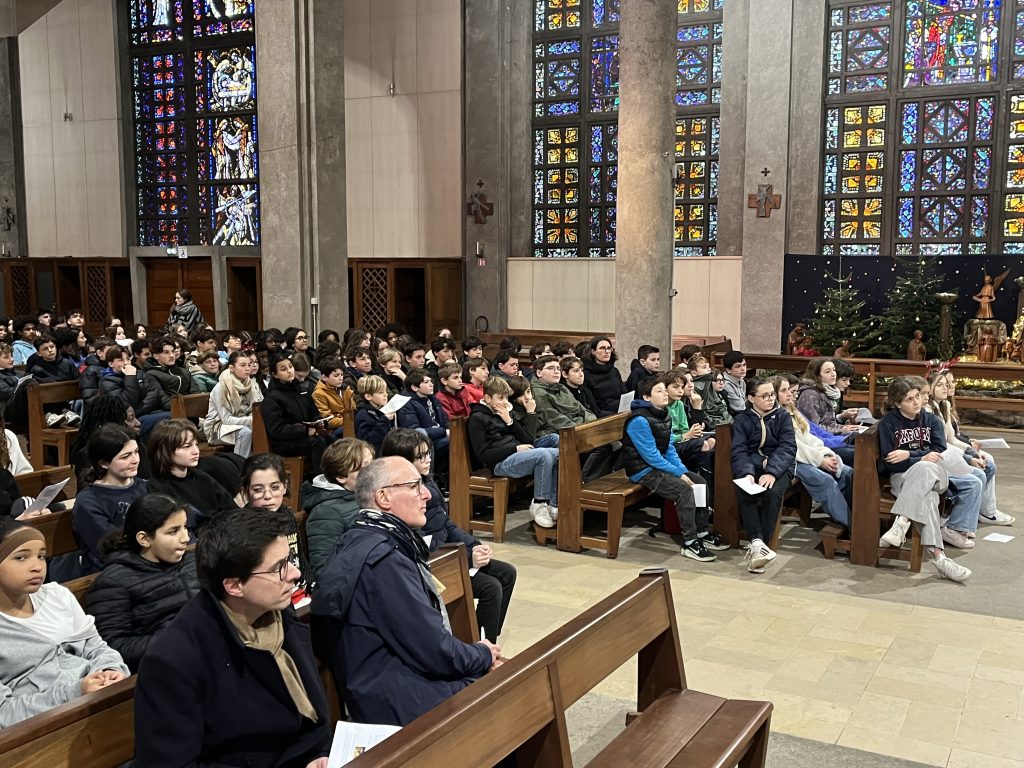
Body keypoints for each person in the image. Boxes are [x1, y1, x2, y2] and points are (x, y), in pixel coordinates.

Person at [134, 507, 332, 768]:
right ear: (234, 585)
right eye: (279, 568)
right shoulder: (173, 659)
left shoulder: (277, 609)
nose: (295, 573)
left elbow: (311, 718)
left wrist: (318, 754)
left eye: (289, 560)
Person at [311, 456, 499, 726]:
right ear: (383, 497)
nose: (426, 495)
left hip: (394, 682)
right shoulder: (383, 560)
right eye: (414, 486)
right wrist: (482, 653)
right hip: (398, 698)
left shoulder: (367, 537)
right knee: (511, 684)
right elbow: (434, 650)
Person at [381, 430, 517, 642]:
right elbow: (422, 543)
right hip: (433, 564)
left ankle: (487, 639)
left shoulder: (427, 482)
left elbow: (446, 523)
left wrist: (474, 545)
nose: (428, 460)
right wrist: (467, 558)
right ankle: (479, 645)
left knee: (507, 573)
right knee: (491, 588)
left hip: (448, 553)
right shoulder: (402, 496)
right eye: (420, 457)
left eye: (428, 454)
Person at [0, 519, 129, 727]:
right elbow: (4, 713)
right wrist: (76, 692)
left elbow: (96, 647)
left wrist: (110, 669)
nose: (37, 567)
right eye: (21, 557)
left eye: (41, 556)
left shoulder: (56, 595)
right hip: (47, 730)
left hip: (100, 700)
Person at [85, 494, 200, 672]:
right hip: (165, 669)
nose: (185, 537)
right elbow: (112, 647)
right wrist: (177, 640)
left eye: (185, 527)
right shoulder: (113, 583)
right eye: (173, 531)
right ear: (144, 539)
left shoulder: (193, 561)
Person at [877, 376, 971, 582]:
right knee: (928, 498)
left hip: (937, 475)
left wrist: (909, 455)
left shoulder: (931, 421)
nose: (917, 402)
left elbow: (939, 452)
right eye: (909, 399)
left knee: (927, 467)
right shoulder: (888, 423)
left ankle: (902, 521)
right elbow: (890, 463)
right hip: (903, 478)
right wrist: (921, 458)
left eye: (918, 396)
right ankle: (940, 558)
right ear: (897, 403)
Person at [467, 377, 560, 528]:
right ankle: (539, 503)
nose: (505, 402)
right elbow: (483, 455)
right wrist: (514, 449)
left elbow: (527, 439)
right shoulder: (477, 418)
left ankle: (554, 503)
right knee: (543, 455)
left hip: (516, 454)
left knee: (559, 453)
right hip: (499, 463)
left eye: (506, 398)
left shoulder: (502, 413)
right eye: (500, 398)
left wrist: (509, 421)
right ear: (488, 398)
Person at [731, 378, 796, 574]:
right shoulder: (742, 419)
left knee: (772, 493)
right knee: (744, 490)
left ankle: (762, 545)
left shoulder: (782, 416)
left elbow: (788, 448)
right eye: (765, 396)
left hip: (780, 467)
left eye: (772, 395)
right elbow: (739, 450)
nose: (770, 399)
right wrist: (747, 473)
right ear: (751, 398)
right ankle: (758, 543)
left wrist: (772, 472)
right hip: (753, 465)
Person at [773, 373, 853, 529]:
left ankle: (848, 516)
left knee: (847, 472)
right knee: (825, 480)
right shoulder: (776, 416)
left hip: (808, 455)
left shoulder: (792, 410)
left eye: (790, 390)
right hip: (791, 461)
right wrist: (819, 460)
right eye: (784, 391)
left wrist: (826, 453)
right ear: (774, 394)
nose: (790, 394)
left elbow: (809, 437)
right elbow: (793, 447)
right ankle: (851, 526)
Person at [73, 425, 150, 575]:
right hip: (114, 572)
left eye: (136, 452)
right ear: (104, 463)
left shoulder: (146, 486)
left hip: (150, 561)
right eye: (125, 456)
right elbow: (108, 549)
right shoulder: (88, 501)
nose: (135, 460)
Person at [942, 371, 1014, 526]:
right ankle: (981, 512)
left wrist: (969, 442)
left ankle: (985, 510)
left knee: (988, 460)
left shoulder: (947, 404)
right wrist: (969, 450)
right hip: (948, 454)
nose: (952, 386)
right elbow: (947, 440)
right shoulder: (938, 408)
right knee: (986, 466)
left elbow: (956, 434)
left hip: (956, 448)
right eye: (947, 384)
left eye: (952, 382)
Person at [301, 439, 374, 580]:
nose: (373, 473)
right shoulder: (326, 512)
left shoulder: (366, 495)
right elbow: (324, 570)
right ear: (341, 477)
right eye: (365, 469)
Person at [146, 419, 238, 518]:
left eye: (196, 444)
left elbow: (233, 511)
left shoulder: (203, 478)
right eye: (187, 446)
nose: (196, 451)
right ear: (165, 450)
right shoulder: (157, 488)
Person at [261, 353, 332, 475]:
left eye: (290, 366)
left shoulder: (298, 389)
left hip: (302, 436)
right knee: (318, 442)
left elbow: (312, 411)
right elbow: (276, 429)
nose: (289, 371)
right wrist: (305, 430)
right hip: (285, 443)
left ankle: (335, 475)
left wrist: (320, 422)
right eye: (283, 369)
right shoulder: (272, 398)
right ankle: (321, 478)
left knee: (331, 439)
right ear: (275, 375)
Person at [204, 350, 262, 458]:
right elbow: (226, 419)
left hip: (244, 423)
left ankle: (261, 463)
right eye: (243, 365)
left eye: (249, 365)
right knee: (245, 432)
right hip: (218, 428)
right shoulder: (221, 387)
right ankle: (239, 465)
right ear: (231, 368)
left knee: (263, 429)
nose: (248, 368)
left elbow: (257, 407)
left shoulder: (252, 384)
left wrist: (255, 419)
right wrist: (252, 420)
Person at [396, 370, 450, 466]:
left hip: (440, 435)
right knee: (454, 442)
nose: (431, 384)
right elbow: (414, 431)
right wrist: (444, 432)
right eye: (426, 382)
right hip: (425, 442)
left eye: (431, 381)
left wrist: (451, 430)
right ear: (415, 387)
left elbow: (444, 420)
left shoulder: (433, 399)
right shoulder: (407, 403)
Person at [583, 336, 625, 416]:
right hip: (602, 415)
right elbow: (592, 405)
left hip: (621, 411)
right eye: (602, 348)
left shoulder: (614, 371)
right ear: (593, 351)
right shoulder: (586, 374)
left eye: (609, 348)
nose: (607, 351)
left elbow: (624, 394)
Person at [311, 359, 353, 437]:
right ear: (324, 377)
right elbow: (327, 421)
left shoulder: (346, 389)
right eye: (336, 375)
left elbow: (353, 409)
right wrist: (349, 421)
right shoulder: (318, 394)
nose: (341, 378)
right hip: (333, 431)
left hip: (348, 423)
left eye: (342, 375)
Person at [145, 335, 193, 403]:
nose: (171, 355)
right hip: (170, 408)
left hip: (190, 405)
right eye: (166, 352)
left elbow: (197, 393)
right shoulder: (151, 374)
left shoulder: (184, 371)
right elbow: (163, 400)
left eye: (173, 351)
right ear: (156, 356)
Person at [354, 374, 394, 455]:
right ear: (368, 396)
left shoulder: (382, 409)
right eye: (381, 392)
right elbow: (367, 441)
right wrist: (384, 420)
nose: (386, 395)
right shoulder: (362, 414)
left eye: (385, 391)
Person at [721, 351, 749, 416]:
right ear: (728, 370)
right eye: (738, 366)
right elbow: (739, 407)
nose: (743, 369)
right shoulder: (726, 384)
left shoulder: (741, 380)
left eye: (744, 365)